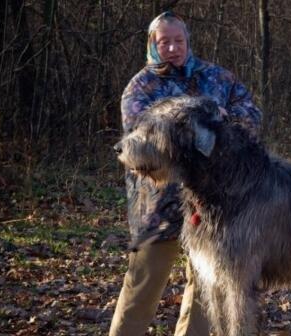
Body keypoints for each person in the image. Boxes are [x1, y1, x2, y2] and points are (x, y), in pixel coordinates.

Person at [109, 11, 262, 336]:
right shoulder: (140, 87)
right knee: (143, 285)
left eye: (178, 41)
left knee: (206, 293)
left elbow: (251, 113)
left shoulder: (217, 77)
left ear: (188, 42)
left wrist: (223, 119)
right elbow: (138, 135)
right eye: (165, 42)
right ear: (153, 44)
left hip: (212, 205)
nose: (173, 48)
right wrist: (191, 123)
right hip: (159, 206)